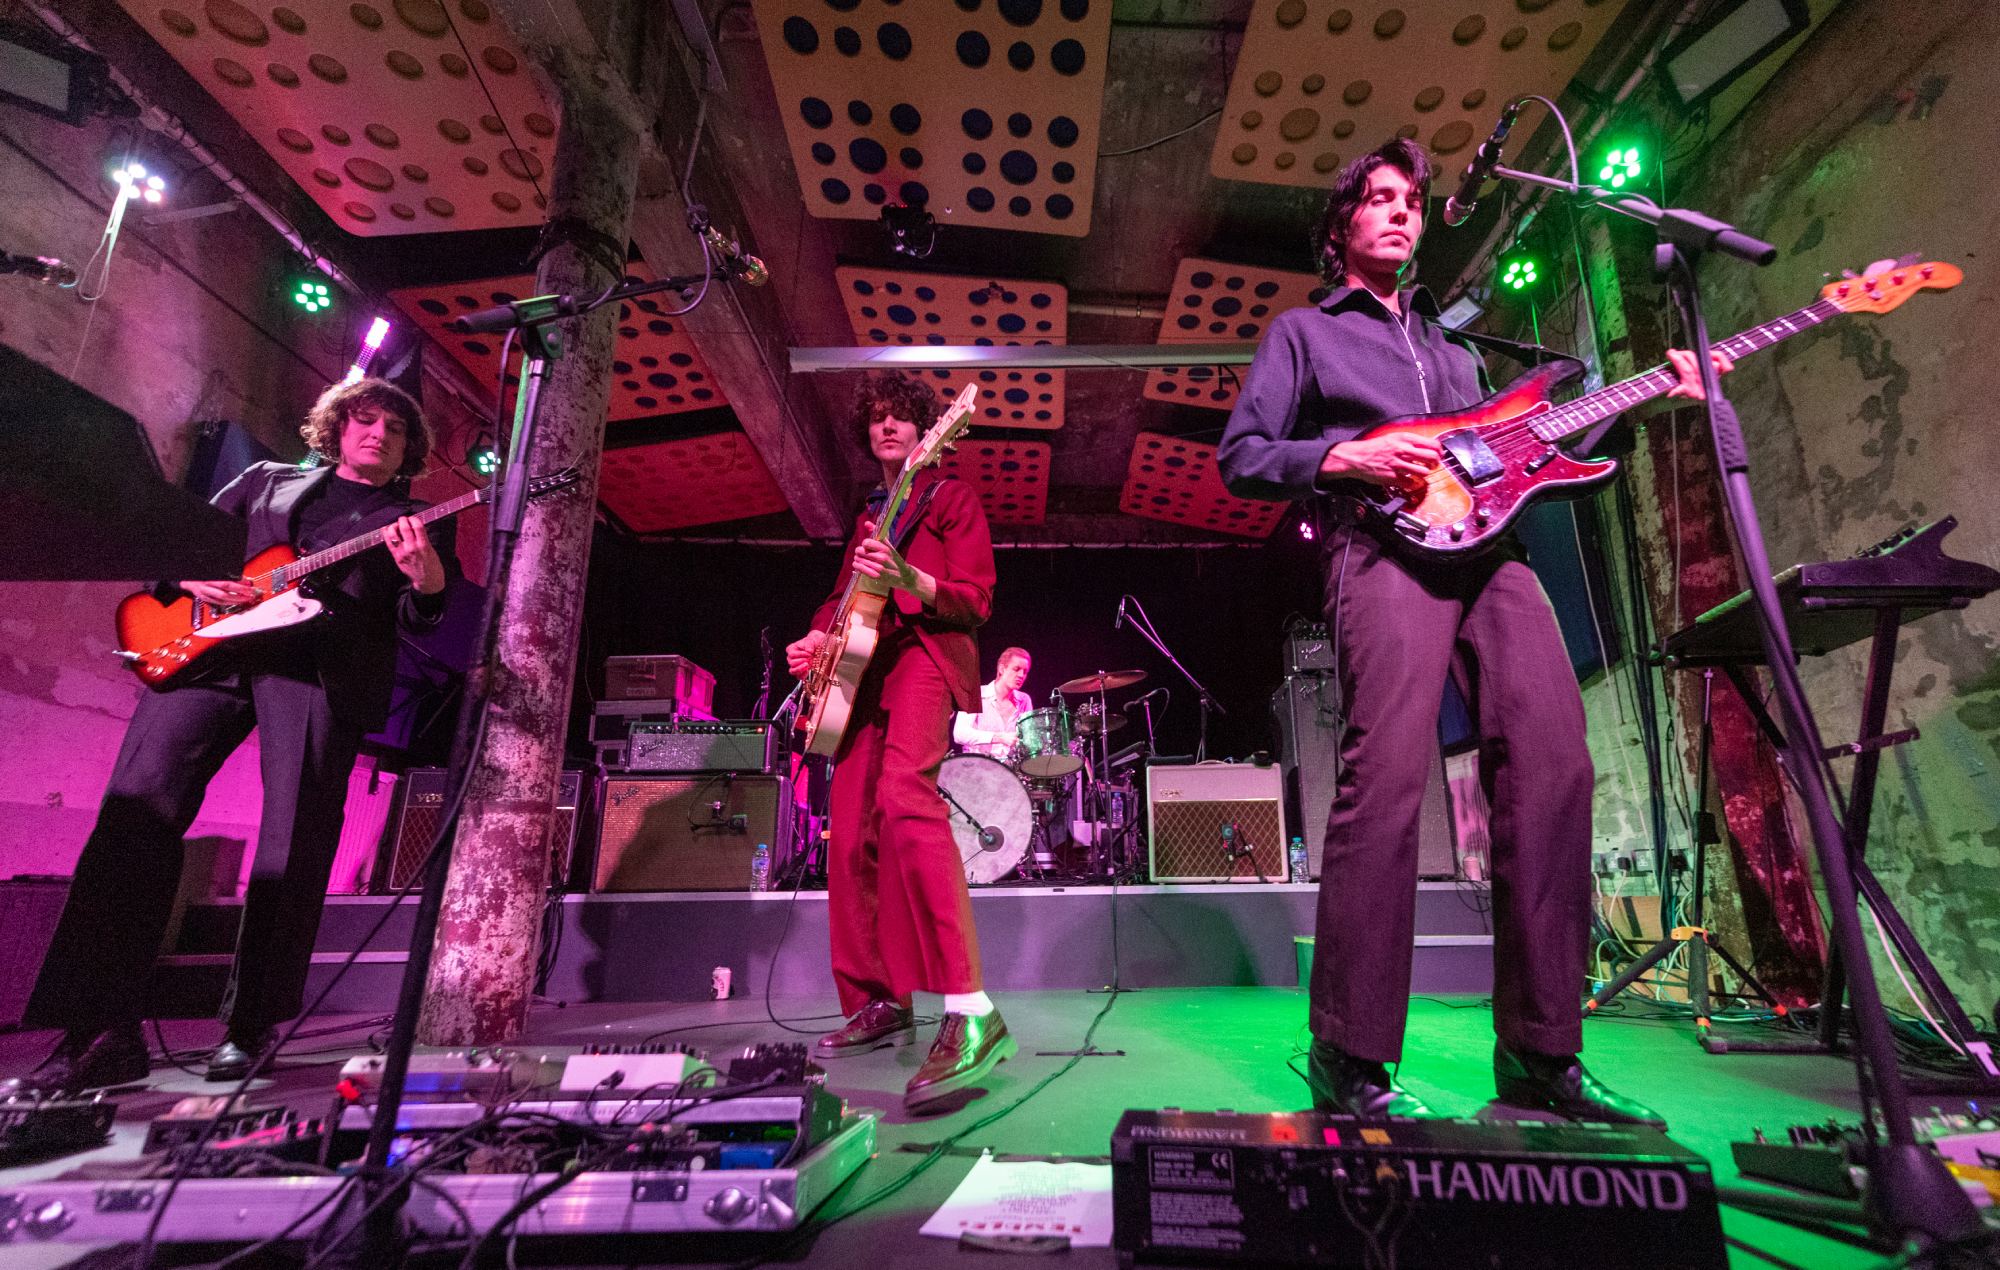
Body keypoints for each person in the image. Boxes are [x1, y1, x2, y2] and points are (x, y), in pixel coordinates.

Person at [1217, 137, 1729, 1125]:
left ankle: (1541, 1054)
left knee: (1554, 760)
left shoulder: (1459, 351)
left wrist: (1646, 397)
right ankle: (1348, 1053)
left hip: (1490, 558)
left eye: (1410, 199)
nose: (1400, 212)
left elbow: (1525, 453)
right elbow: (1244, 455)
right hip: (1380, 554)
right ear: (1340, 229)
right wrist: (1349, 456)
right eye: (1377, 198)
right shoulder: (1302, 334)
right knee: (1387, 773)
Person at [10, 379, 457, 1093]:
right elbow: (181, 543)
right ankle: (96, 1032)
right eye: (364, 420)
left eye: (395, 429)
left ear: (409, 450)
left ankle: (250, 1028)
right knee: (134, 813)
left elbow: (423, 614)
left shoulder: (413, 518)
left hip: (318, 672)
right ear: (337, 429)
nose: (377, 434)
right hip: (210, 651)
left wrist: (425, 577)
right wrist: (192, 580)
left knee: (296, 839)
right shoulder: (264, 481)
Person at [785, 372, 1014, 1113]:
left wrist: (910, 573)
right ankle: (879, 999)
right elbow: (843, 594)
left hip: (923, 658)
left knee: (904, 800)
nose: (888, 427)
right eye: (877, 418)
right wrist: (818, 631)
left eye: (900, 418)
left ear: (927, 432)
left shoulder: (950, 500)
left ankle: (972, 1007)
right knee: (849, 831)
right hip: (861, 673)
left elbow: (974, 599)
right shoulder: (868, 516)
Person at [953, 646, 1034, 761]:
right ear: (1002, 669)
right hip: (976, 767)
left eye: (1025, 672)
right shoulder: (975, 694)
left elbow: (1029, 739)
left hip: (1009, 770)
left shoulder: (1024, 700)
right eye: (1016, 669)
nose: (1021, 675)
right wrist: (999, 737)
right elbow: (959, 733)